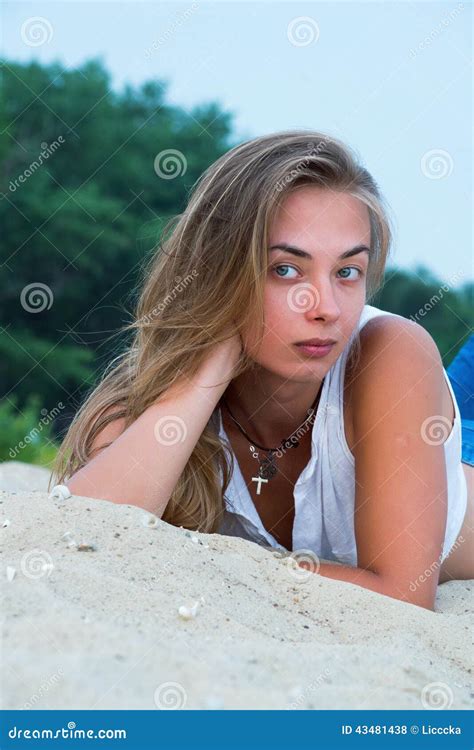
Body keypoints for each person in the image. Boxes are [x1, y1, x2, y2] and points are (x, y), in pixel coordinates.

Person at [50, 130, 472, 611]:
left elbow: (403, 594)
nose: (326, 309)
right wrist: (212, 358)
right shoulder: (153, 400)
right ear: (220, 272)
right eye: (285, 270)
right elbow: (79, 535)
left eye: (347, 271)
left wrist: (215, 559)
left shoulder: (387, 351)